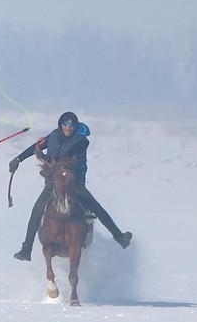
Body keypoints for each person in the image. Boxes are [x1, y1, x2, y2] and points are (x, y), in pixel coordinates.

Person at [9, 111, 132, 261]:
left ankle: (120, 237)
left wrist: (45, 157)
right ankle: (26, 249)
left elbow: (66, 155)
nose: (68, 127)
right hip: (53, 183)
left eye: (71, 124)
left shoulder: (81, 141)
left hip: (74, 183)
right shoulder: (53, 136)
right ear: (60, 125)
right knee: (36, 210)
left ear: (75, 126)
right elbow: (36, 146)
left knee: (96, 207)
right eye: (65, 124)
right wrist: (18, 159)